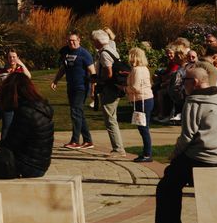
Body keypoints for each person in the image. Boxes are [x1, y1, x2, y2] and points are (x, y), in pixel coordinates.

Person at [154, 63, 217, 223]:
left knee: (166, 186)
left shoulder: (194, 102)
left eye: (185, 81)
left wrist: (174, 155)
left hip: (202, 157)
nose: (183, 85)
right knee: (173, 177)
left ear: (196, 82)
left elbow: (186, 137)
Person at [0, 73, 53, 190]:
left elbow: (10, 144)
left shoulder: (25, 113)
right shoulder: (40, 108)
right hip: (40, 163)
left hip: (28, 167)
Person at [53, 31, 95, 149]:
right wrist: (56, 80)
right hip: (70, 86)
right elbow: (63, 68)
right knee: (79, 113)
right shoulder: (66, 52)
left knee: (75, 112)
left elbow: (93, 72)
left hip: (81, 87)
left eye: (74, 40)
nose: (71, 42)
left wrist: (93, 89)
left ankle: (75, 141)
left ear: (79, 40)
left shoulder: (84, 54)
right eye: (69, 40)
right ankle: (88, 141)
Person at [91, 28, 129, 157]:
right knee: (112, 117)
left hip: (109, 89)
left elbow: (109, 73)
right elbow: (112, 40)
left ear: (98, 41)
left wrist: (98, 80)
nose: (93, 43)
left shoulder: (104, 54)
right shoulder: (111, 48)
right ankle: (118, 148)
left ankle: (118, 149)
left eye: (94, 41)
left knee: (110, 119)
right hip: (115, 88)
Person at [0, 50, 32, 140]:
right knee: (7, 125)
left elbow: (28, 77)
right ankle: (3, 144)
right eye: (10, 57)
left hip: (20, 101)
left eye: (14, 57)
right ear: (7, 58)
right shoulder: (2, 70)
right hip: (7, 101)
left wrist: (22, 64)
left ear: (17, 58)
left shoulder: (21, 69)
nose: (12, 59)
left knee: (20, 125)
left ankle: (17, 144)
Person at [127, 46, 155, 163]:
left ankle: (147, 153)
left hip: (142, 100)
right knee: (143, 127)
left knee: (143, 128)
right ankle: (146, 152)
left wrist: (125, 89)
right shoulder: (144, 69)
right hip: (146, 99)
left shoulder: (137, 70)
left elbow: (136, 87)